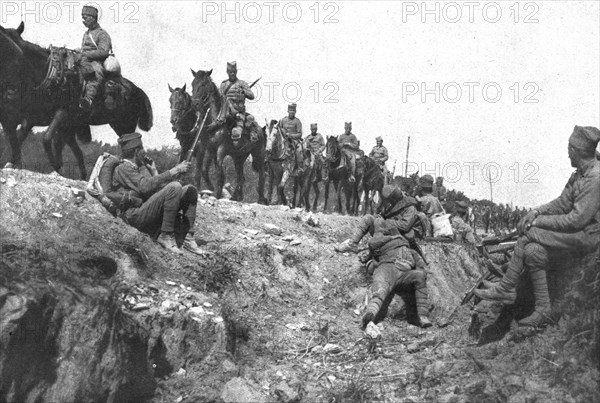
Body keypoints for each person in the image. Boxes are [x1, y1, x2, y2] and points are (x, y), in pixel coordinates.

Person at [475, 125, 600, 329]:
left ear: (576, 150)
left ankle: (506, 287)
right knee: (533, 251)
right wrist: (536, 211)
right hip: (579, 234)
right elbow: (561, 203)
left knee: (529, 234)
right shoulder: (580, 174)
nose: (567, 154)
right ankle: (543, 309)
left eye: (569, 149)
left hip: (590, 236)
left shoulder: (595, 177)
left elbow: (576, 220)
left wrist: (536, 222)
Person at [335, 185, 432, 329]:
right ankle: (352, 244)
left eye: (391, 201)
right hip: (386, 259)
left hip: (402, 241)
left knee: (418, 275)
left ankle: (422, 316)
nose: (390, 204)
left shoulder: (409, 207)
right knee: (380, 288)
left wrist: (386, 224)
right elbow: (373, 252)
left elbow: (405, 227)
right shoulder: (377, 238)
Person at [111, 132, 207, 255]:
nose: (144, 152)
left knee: (190, 190)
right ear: (136, 152)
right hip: (134, 215)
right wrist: (174, 170)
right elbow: (145, 187)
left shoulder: (137, 168)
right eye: (142, 149)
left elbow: (156, 191)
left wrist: (155, 171)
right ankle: (166, 235)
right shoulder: (124, 167)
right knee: (175, 186)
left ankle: (187, 237)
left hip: (144, 210)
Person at [79, 5, 112, 111]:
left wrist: (86, 54)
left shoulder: (102, 34)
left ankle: (88, 99)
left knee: (94, 73)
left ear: (93, 18)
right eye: (83, 17)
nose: (84, 20)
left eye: (86, 17)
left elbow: (103, 52)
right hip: (84, 59)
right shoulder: (86, 33)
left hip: (96, 61)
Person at [219, 61, 256, 141]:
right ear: (227, 72)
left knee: (236, 133)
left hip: (238, 113)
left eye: (234, 72)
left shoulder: (242, 83)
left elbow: (252, 96)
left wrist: (244, 91)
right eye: (230, 72)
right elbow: (220, 98)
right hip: (225, 113)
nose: (232, 74)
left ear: (236, 72)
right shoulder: (223, 84)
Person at [279, 103, 303, 173]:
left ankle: (299, 168)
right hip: (283, 140)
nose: (292, 112)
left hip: (294, 141)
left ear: (295, 112)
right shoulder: (283, 120)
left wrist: (290, 135)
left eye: (293, 110)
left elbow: (299, 134)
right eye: (290, 110)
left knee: (299, 151)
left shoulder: (297, 121)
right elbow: (279, 129)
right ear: (288, 111)